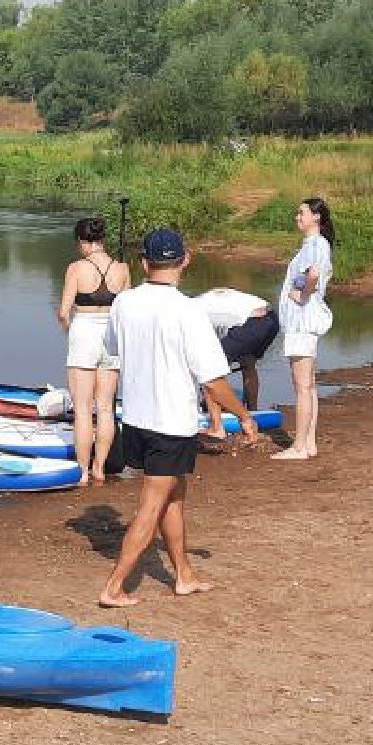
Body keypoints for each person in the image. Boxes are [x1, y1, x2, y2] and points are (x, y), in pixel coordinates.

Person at [97, 228, 261, 609]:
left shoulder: (124, 303)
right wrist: (244, 416)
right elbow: (213, 382)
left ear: (144, 264)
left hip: (136, 419)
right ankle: (114, 587)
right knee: (152, 505)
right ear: (185, 260)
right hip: (170, 423)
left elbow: (112, 348)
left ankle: (184, 575)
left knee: (174, 495)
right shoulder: (189, 311)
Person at [57, 215, 129, 485]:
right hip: (112, 336)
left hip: (84, 333)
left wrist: (68, 329)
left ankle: (83, 471)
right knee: (106, 408)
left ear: (82, 241)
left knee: (83, 409)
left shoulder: (76, 268)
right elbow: (126, 309)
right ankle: (100, 468)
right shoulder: (122, 268)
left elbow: (63, 312)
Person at [272, 198, 335, 461]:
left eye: (302, 213)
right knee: (308, 385)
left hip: (302, 322)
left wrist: (302, 294)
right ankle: (308, 443)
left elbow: (313, 274)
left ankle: (298, 446)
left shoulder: (315, 244)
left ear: (316, 217)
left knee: (302, 385)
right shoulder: (315, 244)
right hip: (303, 321)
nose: (297, 217)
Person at [194, 286, 276, 439]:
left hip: (252, 323)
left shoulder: (190, 313)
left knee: (210, 370)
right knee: (248, 363)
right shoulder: (202, 301)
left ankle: (217, 427)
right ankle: (253, 410)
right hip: (271, 319)